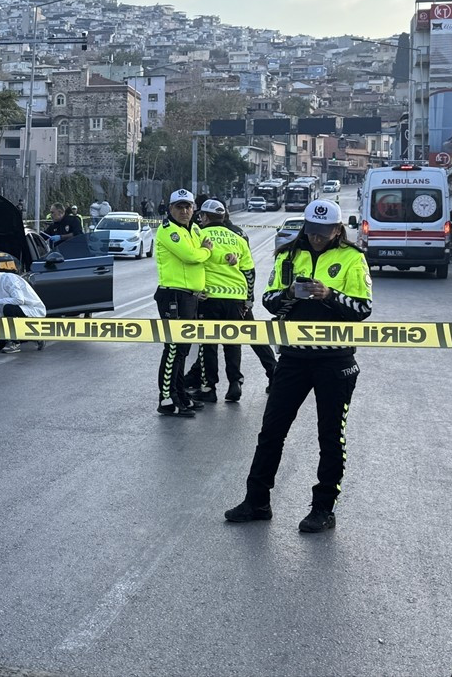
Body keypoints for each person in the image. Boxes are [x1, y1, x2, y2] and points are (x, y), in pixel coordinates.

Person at [225, 200, 373, 534]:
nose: (317, 239)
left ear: (338, 230)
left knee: (330, 436)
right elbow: (269, 301)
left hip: (335, 361)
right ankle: (257, 501)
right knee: (271, 432)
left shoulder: (353, 258)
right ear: (305, 226)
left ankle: (323, 508)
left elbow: (363, 308)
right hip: (293, 357)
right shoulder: (286, 256)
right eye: (312, 231)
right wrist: (292, 293)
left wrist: (329, 295)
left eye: (324, 233)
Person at [153, 188, 215, 417]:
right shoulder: (169, 231)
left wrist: (223, 256)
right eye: (179, 207)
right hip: (173, 296)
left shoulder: (194, 228)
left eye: (188, 206)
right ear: (170, 209)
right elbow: (191, 256)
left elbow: (207, 252)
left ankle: (180, 393)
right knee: (173, 349)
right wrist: (205, 251)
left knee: (183, 350)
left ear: (194, 208)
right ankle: (167, 399)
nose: (184, 211)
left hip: (189, 296)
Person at [187, 200, 250, 404]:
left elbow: (193, 262)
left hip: (210, 297)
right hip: (236, 298)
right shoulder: (237, 238)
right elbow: (248, 270)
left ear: (204, 217)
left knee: (208, 345)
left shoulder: (199, 235)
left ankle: (208, 387)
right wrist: (248, 298)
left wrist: (195, 291)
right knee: (233, 343)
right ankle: (235, 383)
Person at [0, 262, 46, 353]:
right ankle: (35, 337)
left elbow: (19, 300)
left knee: (8, 308)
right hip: (19, 312)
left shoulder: (9, 279)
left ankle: (14, 343)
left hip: (33, 310)